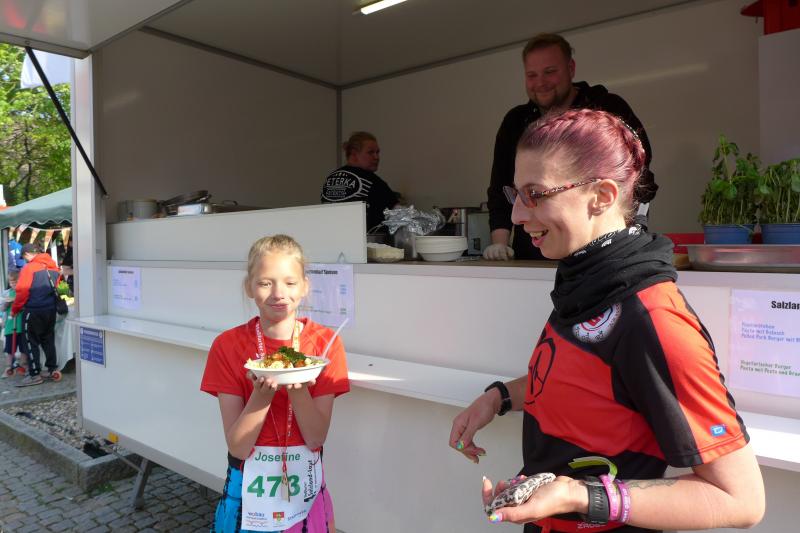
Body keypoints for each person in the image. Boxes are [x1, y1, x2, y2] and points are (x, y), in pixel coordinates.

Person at [450, 110, 764, 532]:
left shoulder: (652, 318)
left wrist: (580, 496)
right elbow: (582, 384)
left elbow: (740, 500)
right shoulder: (585, 282)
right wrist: (498, 398)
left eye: (535, 194)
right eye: (516, 194)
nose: (517, 216)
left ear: (601, 195)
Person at [201, 234, 350, 533]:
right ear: (249, 287)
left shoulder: (325, 345)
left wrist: (298, 387)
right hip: (246, 483)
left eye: (290, 282)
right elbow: (238, 447)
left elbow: (316, 438)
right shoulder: (226, 346)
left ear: (305, 286)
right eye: (265, 283)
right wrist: (261, 397)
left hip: (306, 481)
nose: (279, 293)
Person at [484, 33, 657, 261]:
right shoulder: (516, 122)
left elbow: (639, 176)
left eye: (549, 71)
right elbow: (501, 187)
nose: (540, 82)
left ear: (571, 68)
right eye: (532, 75)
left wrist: (629, 239)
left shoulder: (606, 108)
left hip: (602, 253)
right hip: (533, 253)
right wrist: (499, 244)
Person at [321, 131, 400, 231]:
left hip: (332, 236)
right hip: (367, 239)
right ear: (354, 154)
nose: (376, 157)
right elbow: (399, 214)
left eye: (377, 152)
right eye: (370, 152)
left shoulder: (331, 178)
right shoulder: (372, 181)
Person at [12, 243, 61, 387]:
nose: (25, 260)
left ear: (28, 254)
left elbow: (22, 291)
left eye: (24, 257)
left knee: (30, 341)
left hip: (33, 310)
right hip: (50, 309)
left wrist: (15, 309)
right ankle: (51, 369)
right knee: (48, 339)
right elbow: (56, 285)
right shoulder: (52, 265)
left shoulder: (29, 268)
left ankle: (34, 374)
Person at [1, 271, 29, 377]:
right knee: (9, 348)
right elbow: (2, 308)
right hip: (10, 324)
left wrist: (21, 305)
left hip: (21, 324)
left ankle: (23, 365)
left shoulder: (24, 292)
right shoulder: (7, 293)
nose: (13, 284)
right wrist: (7, 303)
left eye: (15, 282)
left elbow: (28, 306)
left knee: (23, 347)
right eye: (11, 282)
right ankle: (9, 366)